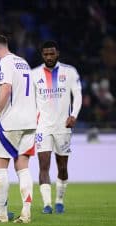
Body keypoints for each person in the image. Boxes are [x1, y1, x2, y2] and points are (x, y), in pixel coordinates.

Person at [0, 35, 36, 223]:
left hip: (11, 121)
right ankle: (26, 213)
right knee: (22, 166)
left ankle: (1, 214)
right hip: (29, 122)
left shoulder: (2, 63)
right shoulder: (23, 62)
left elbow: (6, 89)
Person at [32, 41, 82, 214]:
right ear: (42, 55)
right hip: (42, 127)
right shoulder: (34, 74)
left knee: (62, 167)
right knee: (43, 166)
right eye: (46, 54)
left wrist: (74, 115)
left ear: (57, 53)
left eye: (51, 54)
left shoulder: (69, 72)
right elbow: (30, 102)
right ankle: (47, 205)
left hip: (63, 126)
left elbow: (78, 95)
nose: (49, 57)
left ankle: (59, 200)